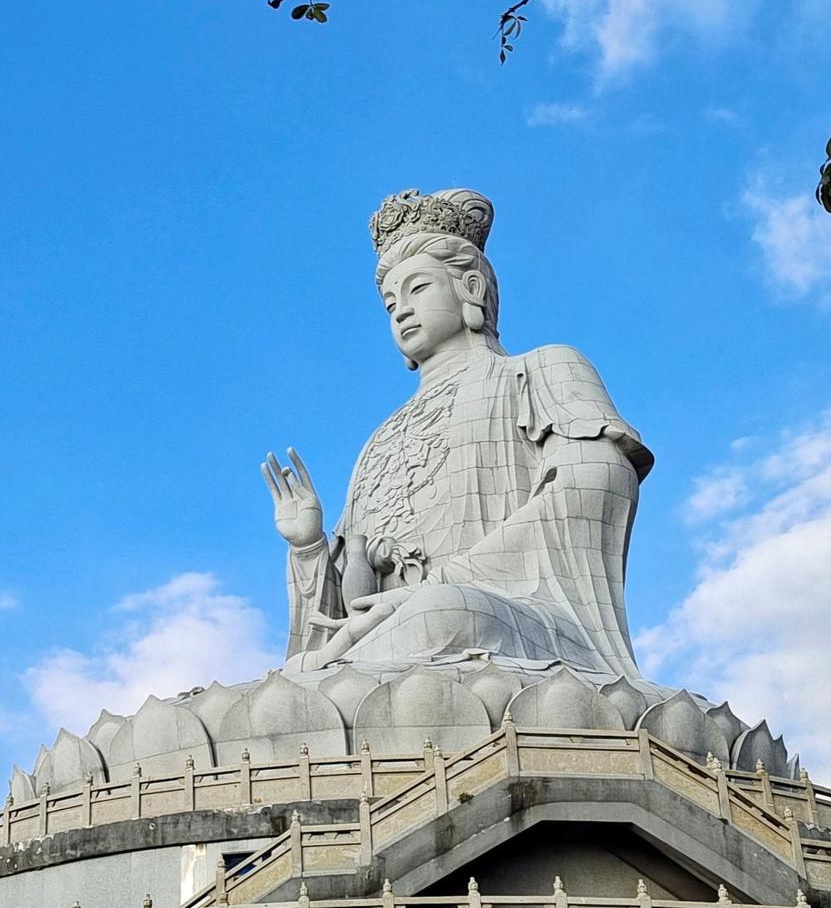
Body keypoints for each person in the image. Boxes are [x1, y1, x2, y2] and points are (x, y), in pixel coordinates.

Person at [261, 188, 654, 679]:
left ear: (470, 287)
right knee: (294, 677)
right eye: (389, 304)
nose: (401, 311)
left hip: (507, 620)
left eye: (418, 289)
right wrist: (310, 548)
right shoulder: (379, 441)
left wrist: (440, 583)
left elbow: (595, 487)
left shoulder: (541, 369)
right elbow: (349, 609)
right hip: (387, 638)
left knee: (443, 613)